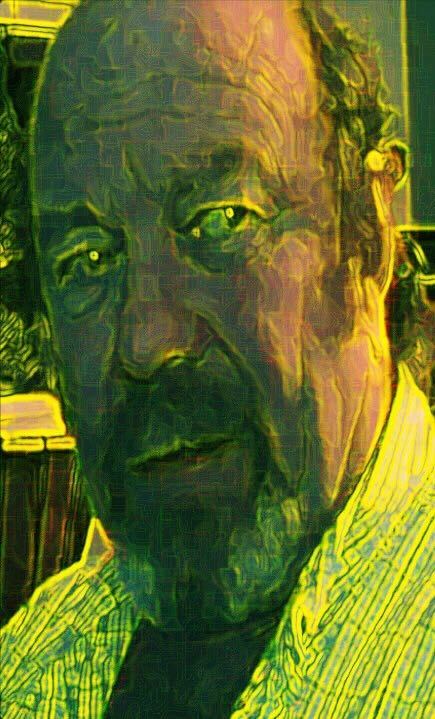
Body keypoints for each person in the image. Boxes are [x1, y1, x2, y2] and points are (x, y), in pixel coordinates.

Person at [1, 1, 433, 717]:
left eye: (223, 220)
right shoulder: (36, 658)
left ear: (367, 228)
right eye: (88, 259)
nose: (147, 341)